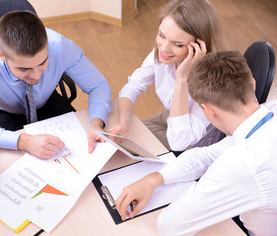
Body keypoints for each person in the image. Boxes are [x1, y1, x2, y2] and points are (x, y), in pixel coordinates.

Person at [115, 51, 277, 235]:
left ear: (208, 111)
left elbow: (169, 226)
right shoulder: (269, 113)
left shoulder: (241, 163)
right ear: (253, 85)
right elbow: (207, 155)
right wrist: (155, 178)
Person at [0, 10, 111, 159]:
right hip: (1, 110)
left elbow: (98, 85)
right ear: (1, 55)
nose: (35, 76)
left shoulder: (61, 46)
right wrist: (23, 141)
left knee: (83, 152)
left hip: (46, 101)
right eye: (24, 68)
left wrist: (97, 123)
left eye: (42, 63)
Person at [109, 0, 222, 151]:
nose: (164, 49)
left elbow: (181, 141)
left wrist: (182, 78)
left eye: (177, 44)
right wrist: (123, 121)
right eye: (162, 35)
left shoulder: (212, 81)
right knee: (117, 139)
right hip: (168, 119)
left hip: (191, 142)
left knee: (122, 149)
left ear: (199, 46)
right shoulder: (162, 55)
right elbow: (132, 87)